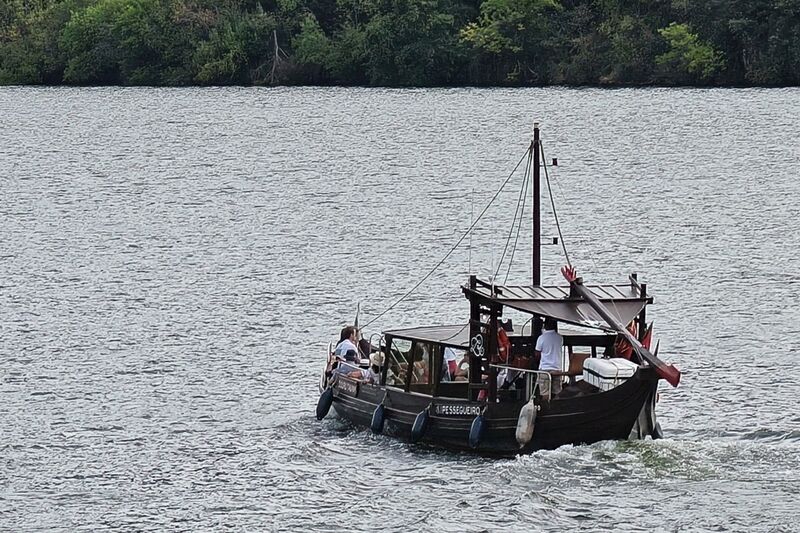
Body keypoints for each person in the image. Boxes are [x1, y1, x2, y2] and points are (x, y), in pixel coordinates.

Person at [535, 317, 563, 400]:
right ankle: (556, 407)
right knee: (557, 392)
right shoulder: (560, 338)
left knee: (545, 393)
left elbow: (537, 353)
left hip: (545, 368)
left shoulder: (542, 338)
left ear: (545, 325)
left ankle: (546, 408)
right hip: (557, 368)